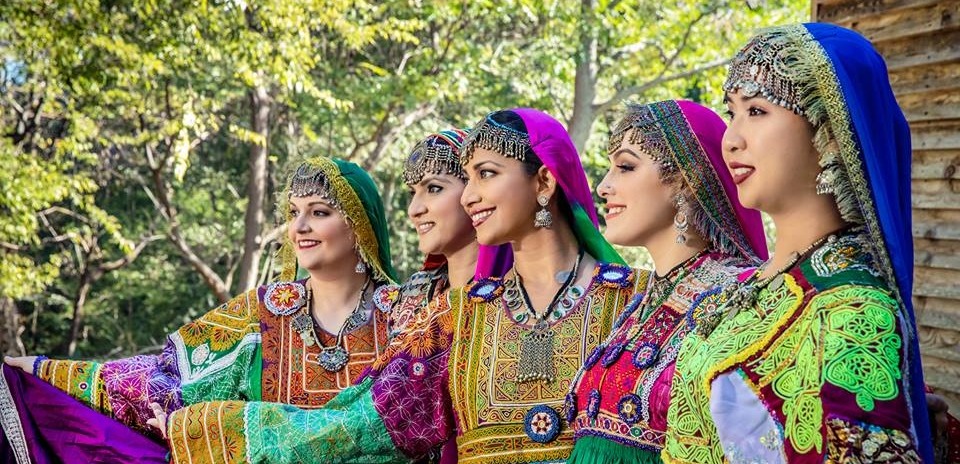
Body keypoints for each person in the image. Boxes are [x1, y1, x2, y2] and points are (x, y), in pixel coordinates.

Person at [161, 108, 646, 464]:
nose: (471, 195)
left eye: (485, 175)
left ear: (543, 182)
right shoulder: (456, 317)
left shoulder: (638, 303)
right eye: (467, 178)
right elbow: (359, 423)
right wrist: (207, 430)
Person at [2, 156, 399, 461]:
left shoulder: (407, 316)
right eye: (294, 213)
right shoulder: (261, 314)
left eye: (319, 212)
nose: (300, 227)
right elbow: (162, 380)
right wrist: (45, 372)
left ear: (359, 225)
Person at [662, 23, 931, 463]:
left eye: (758, 110)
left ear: (828, 128)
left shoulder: (853, 311)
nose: (732, 139)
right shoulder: (753, 284)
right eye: (732, 112)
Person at [566, 99, 767, 464]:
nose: (603, 187)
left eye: (625, 167)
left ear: (686, 183)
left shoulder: (737, 297)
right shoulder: (642, 303)